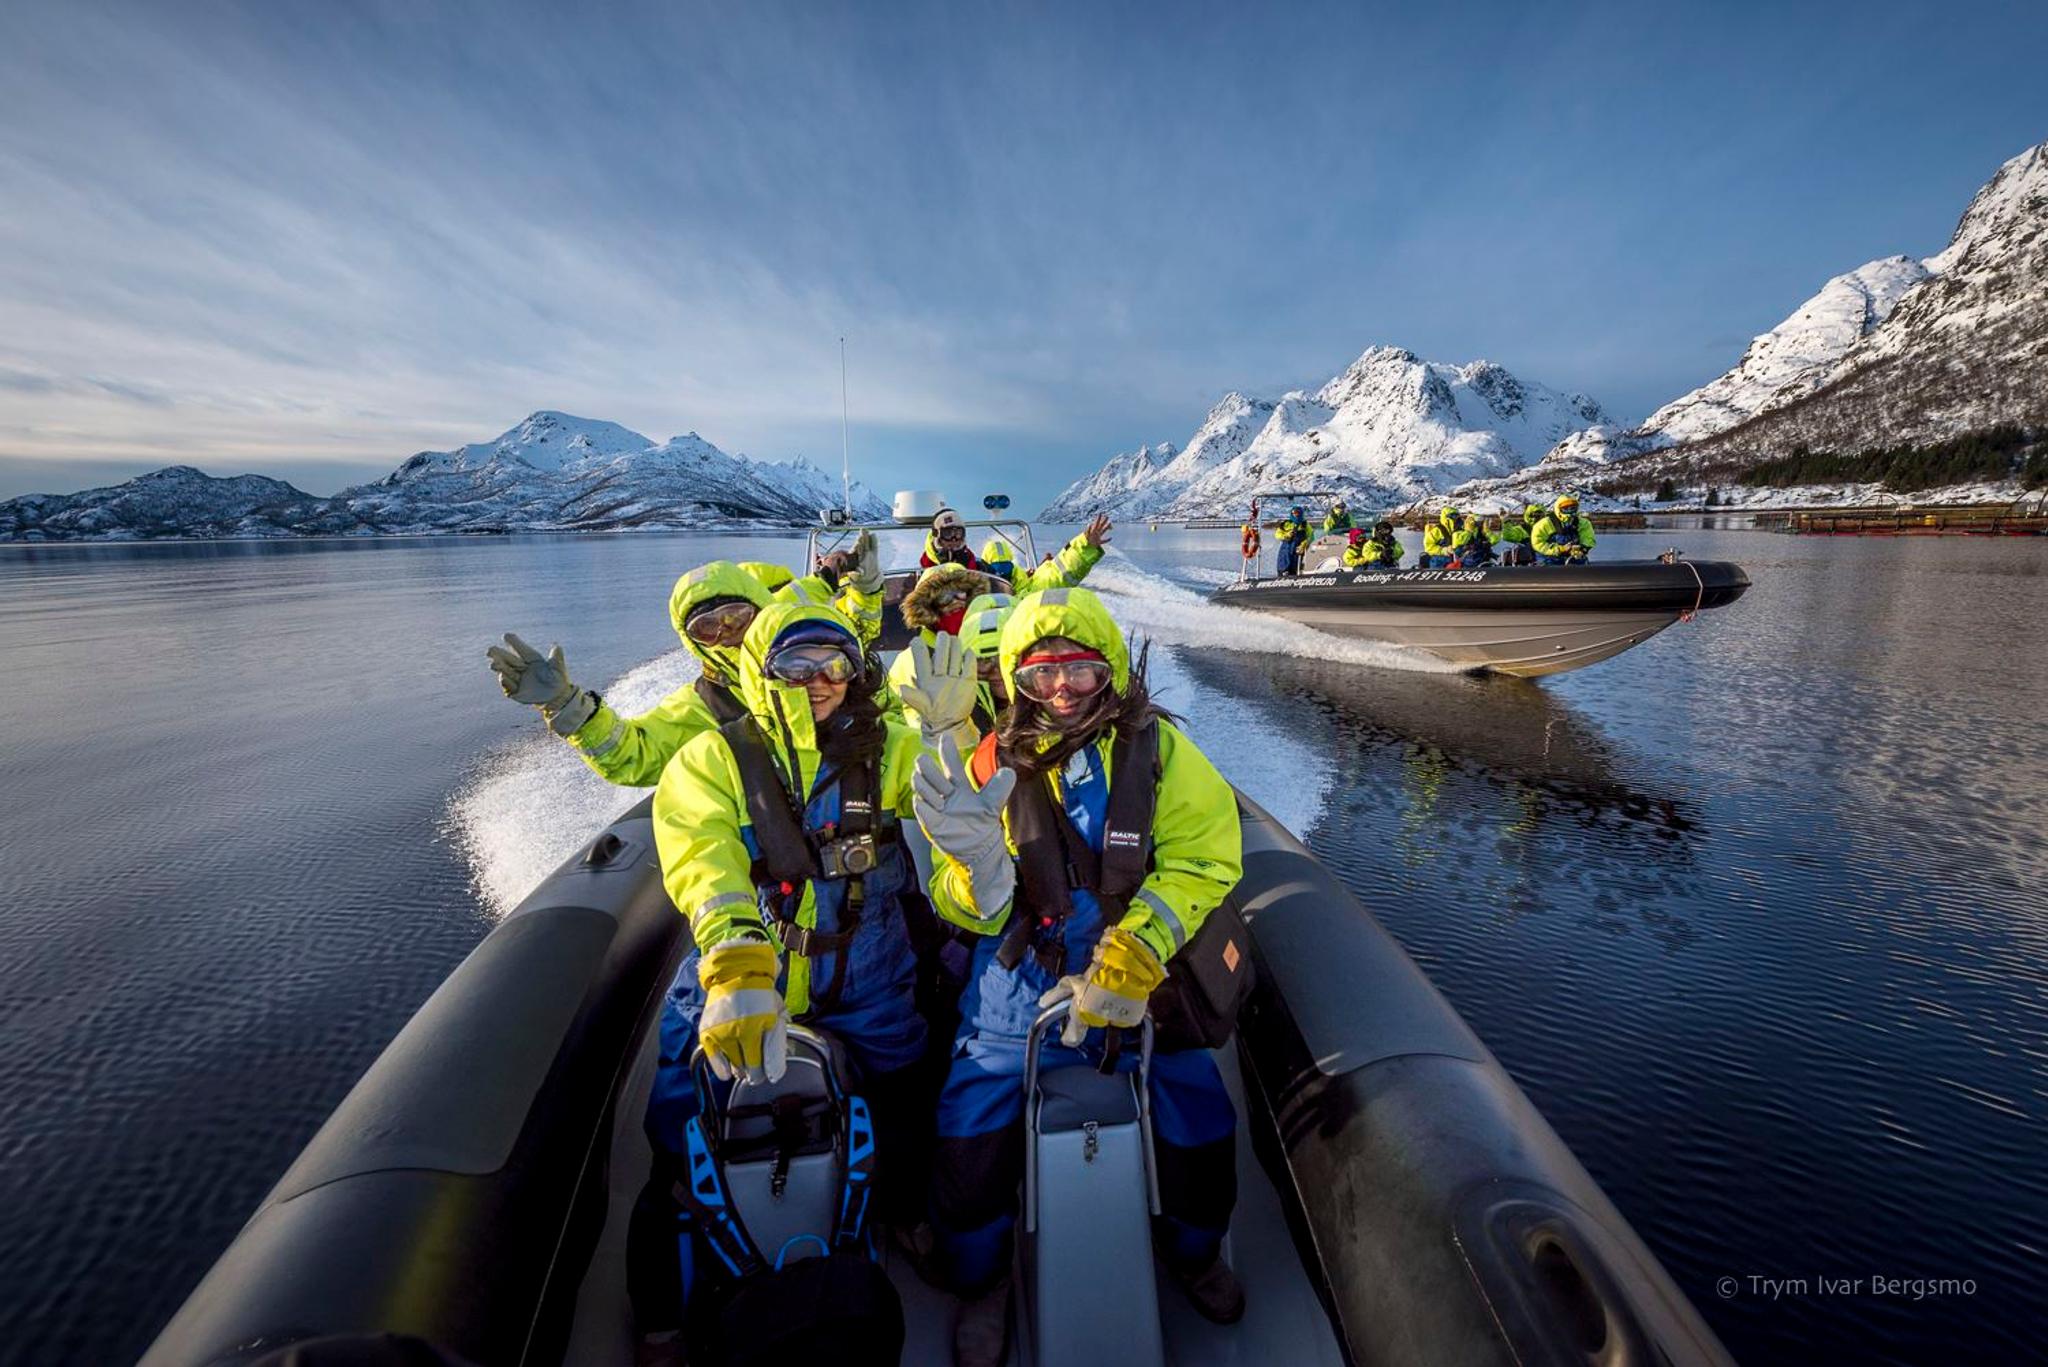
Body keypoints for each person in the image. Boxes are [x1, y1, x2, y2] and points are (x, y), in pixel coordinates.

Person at [913, 587, 1246, 1366]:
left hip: (1142, 973)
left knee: (1200, 1113)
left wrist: (1137, 951)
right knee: (970, 1126)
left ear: (1112, 672)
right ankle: (981, 1279)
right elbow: (950, 897)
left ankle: (1194, 1252)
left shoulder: (1161, 752)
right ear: (1015, 679)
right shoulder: (985, 763)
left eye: (1081, 670)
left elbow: (1206, 855)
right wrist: (977, 869)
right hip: (1019, 981)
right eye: (1040, 674)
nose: (1061, 688)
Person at [631, 599, 969, 1350]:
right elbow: (705, 867)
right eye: (796, 663)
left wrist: (954, 731)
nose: (818, 680)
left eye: (834, 663)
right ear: (761, 669)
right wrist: (738, 966)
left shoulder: (888, 749)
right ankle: (662, 1312)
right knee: (678, 1130)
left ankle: (904, 1214)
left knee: (907, 1096)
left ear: (857, 672)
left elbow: (965, 789)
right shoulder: (707, 762)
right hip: (738, 974)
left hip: (867, 974)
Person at [486, 560, 770, 786]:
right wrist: (565, 705)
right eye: (706, 628)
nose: (726, 632)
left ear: (763, 609)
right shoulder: (711, 704)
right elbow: (636, 755)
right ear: (693, 641)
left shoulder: (815, 652)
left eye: (736, 616)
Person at [887, 564, 994, 750]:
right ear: (926, 606)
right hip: (955, 761)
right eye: (945, 597)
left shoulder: (989, 646)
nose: (956, 602)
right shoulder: (913, 659)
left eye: (963, 594)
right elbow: (918, 726)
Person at [1532, 494, 1596, 564]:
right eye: (1566, 508)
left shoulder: (1583, 523)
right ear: (1558, 508)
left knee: (1581, 562)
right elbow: (1538, 543)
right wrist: (1560, 549)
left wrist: (1583, 549)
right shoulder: (1543, 524)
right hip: (1548, 559)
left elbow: (1588, 539)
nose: (1570, 511)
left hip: (1573, 557)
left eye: (1573, 508)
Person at [1274, 505, 1311, 576]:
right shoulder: (1286, 524)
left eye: (1298, 513)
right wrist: (1286, 535)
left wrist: (1304, 544)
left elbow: (1311, 536)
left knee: (1297, 563)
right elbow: (1277, 534)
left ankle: (1297, 573)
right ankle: (1283, 572)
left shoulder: (1305, 525)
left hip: (1299, 548)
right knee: (1284, 560)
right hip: (1287, 547)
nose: (1296, 515)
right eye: (1294, 513)